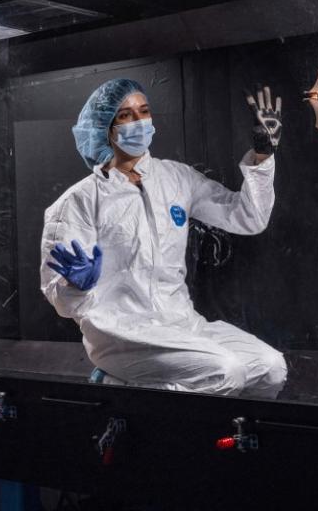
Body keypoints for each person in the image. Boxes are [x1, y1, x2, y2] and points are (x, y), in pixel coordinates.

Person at [40, 79, 286, 398]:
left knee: (271, 367)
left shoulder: (176, 178)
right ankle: (125, 392)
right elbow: (58, 293)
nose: (139, 121)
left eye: (144, 111)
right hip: (121, 334)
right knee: (226, 372)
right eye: (126, 115)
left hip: (180, 323)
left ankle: (151, 399)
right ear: (105, 127)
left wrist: (262, 157)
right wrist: (77, 285)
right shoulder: (79, 202)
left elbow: (247, 218)